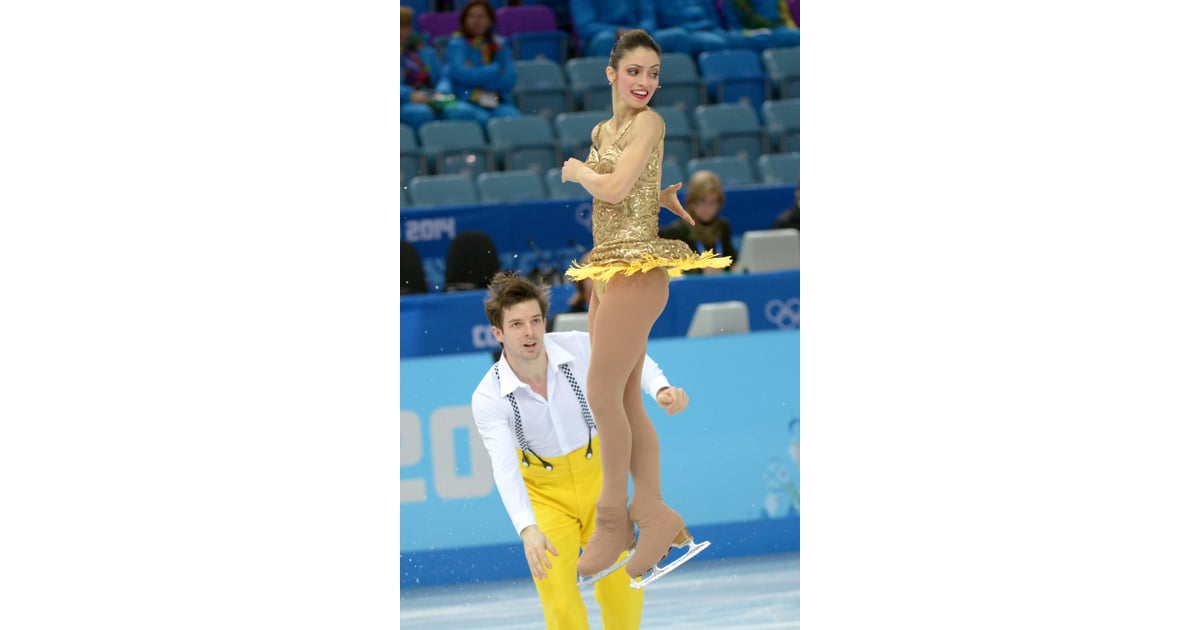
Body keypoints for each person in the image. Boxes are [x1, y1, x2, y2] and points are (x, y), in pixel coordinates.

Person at [559, 29, 729, 585]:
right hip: (607, 271)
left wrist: (578, 171)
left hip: (638, 273)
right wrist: (655, 196)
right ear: (611, 74)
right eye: (635, 71)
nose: (645, 83)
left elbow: (609, 188)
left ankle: (615, 522)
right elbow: (628, 190)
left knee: (602, 392)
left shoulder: (650, 123)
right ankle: (654, 515)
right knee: (624, 396)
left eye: (654, 73)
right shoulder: (601, 129)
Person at [472, 272, 692, 629]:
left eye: (535, 321)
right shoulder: (488, 397)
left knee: (622, 587)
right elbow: (504, 467)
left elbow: (631, 354)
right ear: (498, 333)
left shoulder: (577, 346)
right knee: (557, 594)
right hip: (544, 498)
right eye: (516, 325)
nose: (529, 332)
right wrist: (527, 528)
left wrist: (660, 388)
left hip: (599, 482)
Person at [436, 0, 521, 128]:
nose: (476, 21)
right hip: (467, 98)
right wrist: (494, 70)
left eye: (481, 16)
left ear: (490, 20)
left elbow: (509, 79)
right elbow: (461, 74)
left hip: (496, 99)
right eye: (472, 16)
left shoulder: (500, 44)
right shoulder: (457, 45)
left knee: (514, 120)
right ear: (464, 20)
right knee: (481, 119)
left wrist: (474, 75)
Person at [659, 169, 738, 272]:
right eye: (702, 202)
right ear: (691, 202)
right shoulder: (676, 231)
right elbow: (672, 268)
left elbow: (732, 260)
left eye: (713, 202)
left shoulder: (722, 226)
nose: (707, 208)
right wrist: (701, 270)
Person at [569, 0, 689, 58]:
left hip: (640, 34)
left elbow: (648, 18)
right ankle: (609, 95)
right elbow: (585, 26)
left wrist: (641, 31)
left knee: (678, 36)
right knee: (604, 41)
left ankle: (673, 92)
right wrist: (617, 31)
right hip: (608, 35)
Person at [401, 6, 455, 129]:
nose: (400, 32)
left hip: (431, 97)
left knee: (460, 110)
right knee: (421, 113)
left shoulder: (425, 51)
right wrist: (409, 95)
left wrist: (442, 92)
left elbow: (443, 77)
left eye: (403, 27)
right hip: (404, 102)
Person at [651, 0, 760, 56]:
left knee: (749, 40)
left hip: (710, 29)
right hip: (687, 31)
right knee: (716, 42)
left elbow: (712, 19)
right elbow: (658, 21)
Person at [720, 0, 801, 49]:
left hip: (777, 29)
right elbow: (737, 23)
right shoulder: (732, 2)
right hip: (744, 31)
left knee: (796, 35)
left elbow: (784, 17)